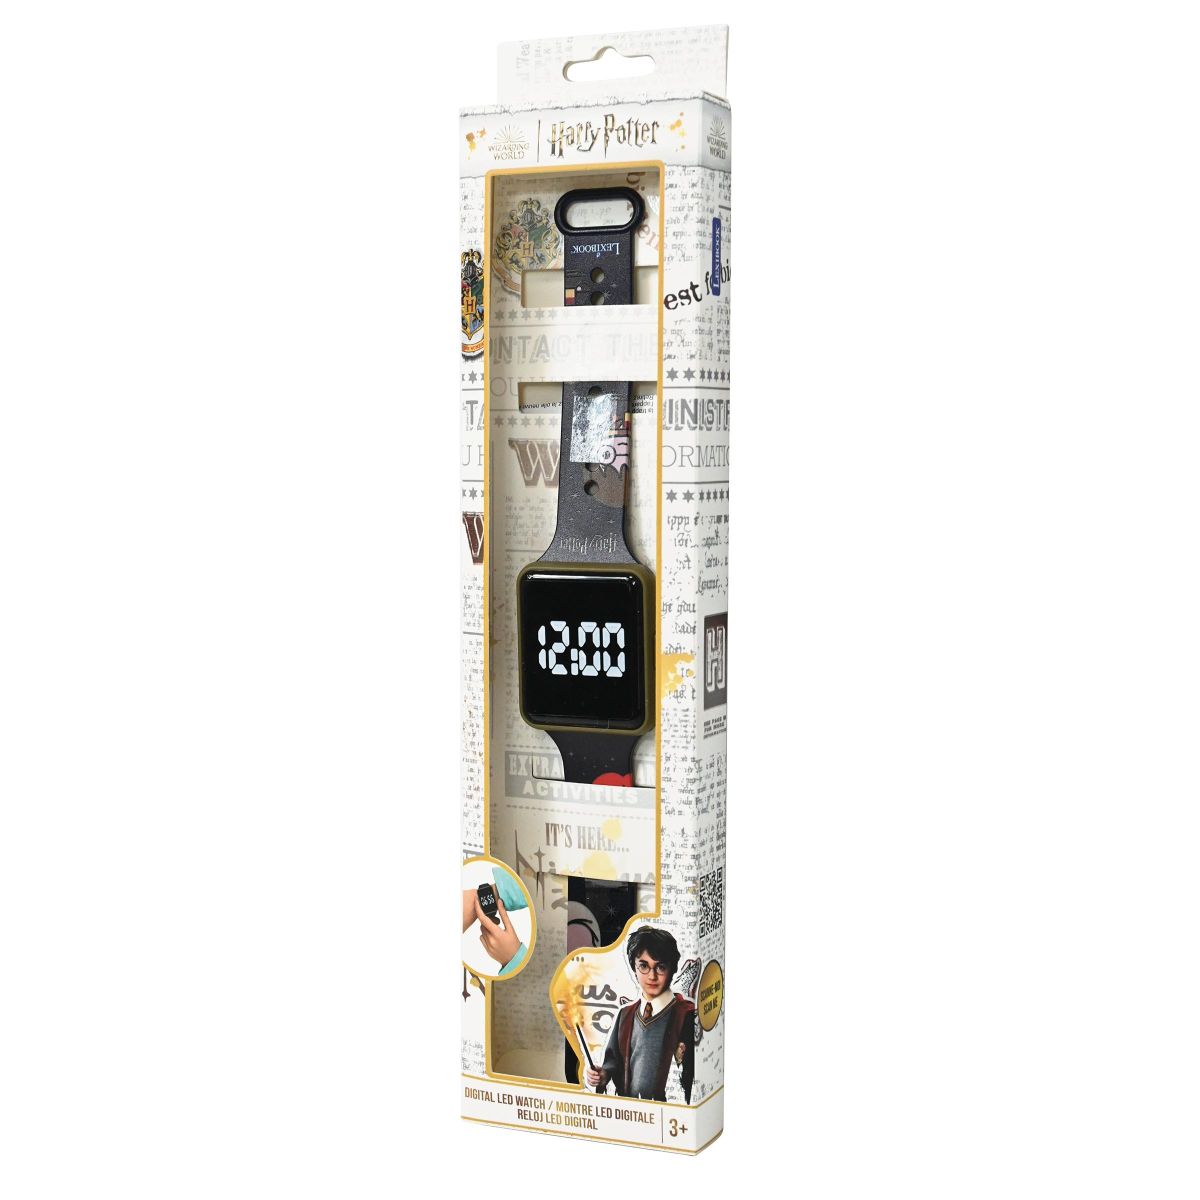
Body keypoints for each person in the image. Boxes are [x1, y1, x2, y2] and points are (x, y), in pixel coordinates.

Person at [586, 926, 694, 1102]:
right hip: (631, 1109)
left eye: (660, 967)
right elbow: (613, 1062)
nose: (652, 976)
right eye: (644, 966)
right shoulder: (625, 1014)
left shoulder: (685, 1015)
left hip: (668, 1111)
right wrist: (602, 1075)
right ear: (634, 968)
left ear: (672, 969)